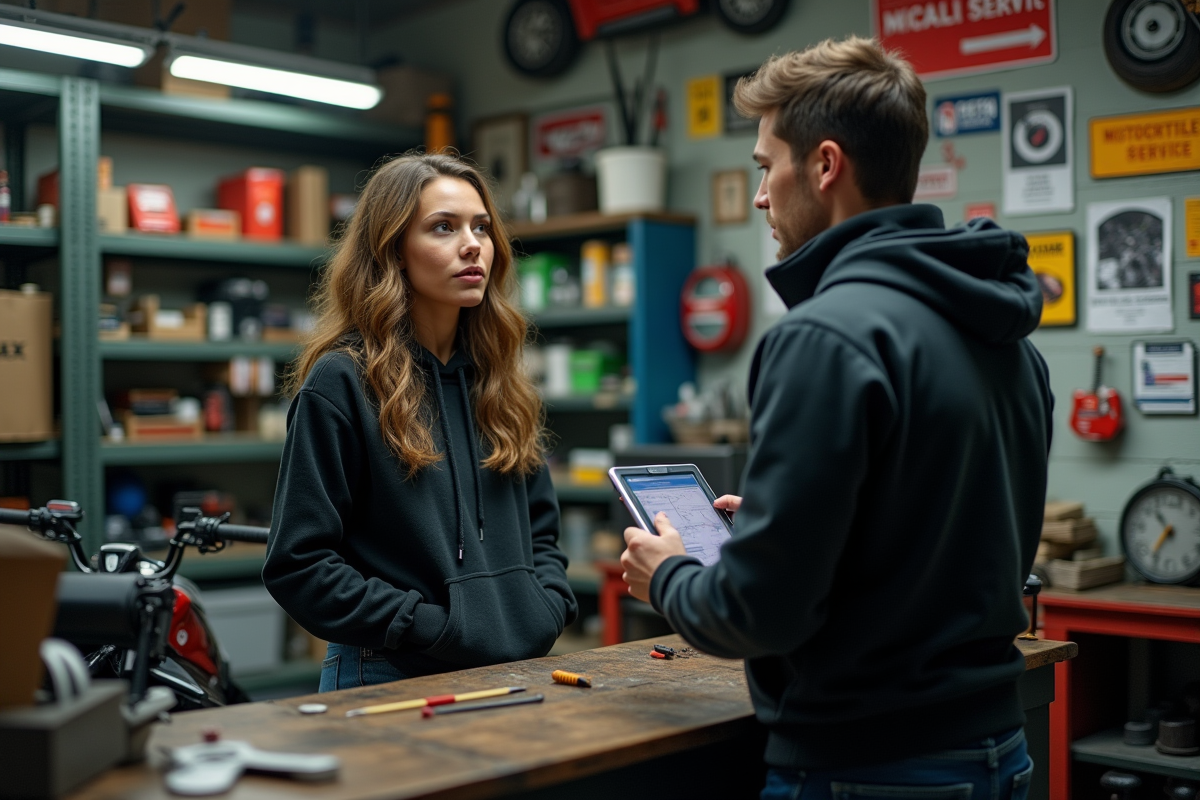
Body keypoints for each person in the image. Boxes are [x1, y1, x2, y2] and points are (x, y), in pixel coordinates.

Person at [620, 37, 1053, 800]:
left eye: (765, 166)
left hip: (870, 768)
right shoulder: (1006, 334)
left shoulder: (823, 337)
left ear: (824, 166)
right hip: (999, 749)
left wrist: (670, 576)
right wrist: (800, 523)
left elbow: (758, 616)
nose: (760, 196)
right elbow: (949, 536)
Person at [264, 153, 577, 691]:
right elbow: (300, 564)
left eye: (481, 227)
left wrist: (544, 609)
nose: (472, 243)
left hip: (510, 670)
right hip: (389, 672)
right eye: (443, 228)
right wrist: (429, 625)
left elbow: (541, 535)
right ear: (394, 253)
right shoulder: (343, 382)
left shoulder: (500, 383)